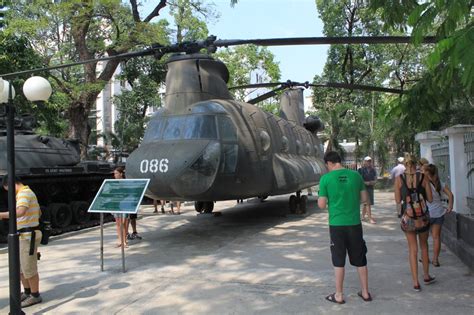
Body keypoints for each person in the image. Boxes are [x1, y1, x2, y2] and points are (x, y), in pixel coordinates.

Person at [318, 151, 372, 304]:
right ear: (339, 161)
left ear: (328, 163)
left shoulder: (325, 179)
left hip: (336, 225)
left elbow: (321, 205)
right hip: (354, 223)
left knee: (338, 259)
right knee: (360, 258)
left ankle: (339, 295)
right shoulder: (356, 176)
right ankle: (366, 292)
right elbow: (364, 199)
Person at [394, 154, 435, 292]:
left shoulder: (399, 179)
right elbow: (430, 199)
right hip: (422, 218)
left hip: (409, 218)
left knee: (413, 249)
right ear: (415, 164)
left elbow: (397, 200)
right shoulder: (423, 178)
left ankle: (416, 282)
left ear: (405, 165)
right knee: (424, 246)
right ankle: (426, 275)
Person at [0, 175, 43, 307]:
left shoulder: (24, 193)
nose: (8, 192)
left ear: (11, 184)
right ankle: (27, 292)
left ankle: (35, 295)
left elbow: (20, 212)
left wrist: (1, 215)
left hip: (27, 236)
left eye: (7, 189)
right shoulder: (24, 193)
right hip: (23, 235)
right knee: (20, 268)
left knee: (28, 267)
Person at [424, 164, 454, 267]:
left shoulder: (424, 184)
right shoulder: (440, 184)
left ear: (428, 173)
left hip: (426, 214)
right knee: (436, 237)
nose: (423, 173)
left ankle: (425, 258)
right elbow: (450, 195)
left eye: (424, 171)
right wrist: (450, 206)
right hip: (438, 213)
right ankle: (435, 260)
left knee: (424, 238)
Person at [112, 166, 129, 247]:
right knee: (118, 223)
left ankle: (124, 241)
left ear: (121, 174)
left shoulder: (125, 182)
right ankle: (119, 240)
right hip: (116, 205)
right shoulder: (113, 183)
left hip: (124, 205)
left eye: (116, 173)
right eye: (114, 173)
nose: (114, 175)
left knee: (123, 223)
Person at [358, 156, 377, 224]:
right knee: (367, 203)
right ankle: (370, 218)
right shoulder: (361, 170)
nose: (369, 162)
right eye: (367, 161)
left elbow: (375, 179)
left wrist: (373, 182)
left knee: (366, 203)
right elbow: (358, 180)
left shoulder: (373, 170)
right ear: (364, 162)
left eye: (370, 161)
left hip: (370, 188)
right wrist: (365, 182)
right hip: (363, 188)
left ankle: (362, 216)